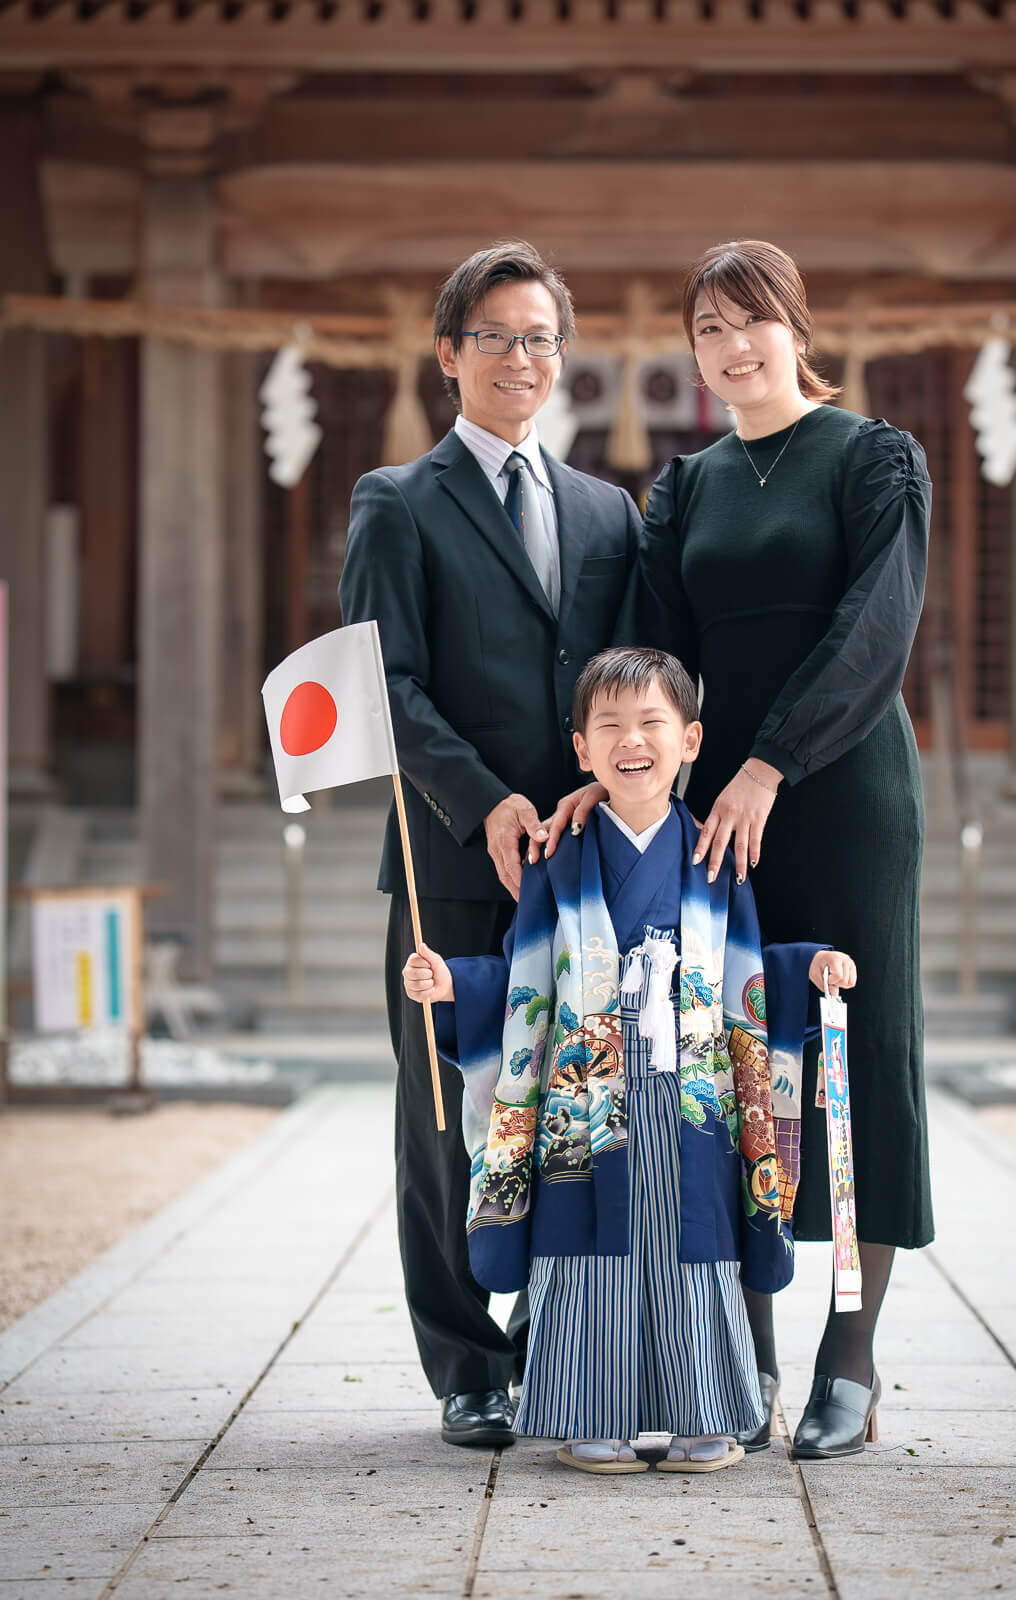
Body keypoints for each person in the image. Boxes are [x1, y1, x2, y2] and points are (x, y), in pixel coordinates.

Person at [539, 240, 934, 1460]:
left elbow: (881, 626)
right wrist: (602, 778)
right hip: (711, 815)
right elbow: (650, 657)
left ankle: (848, 1357)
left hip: (840, 787)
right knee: (725, 1060)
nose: (729, 348)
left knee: (850, 1062)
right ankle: (739, 1349)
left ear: (793, 326)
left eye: (747, 321)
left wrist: (771, 758)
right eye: (706, 330)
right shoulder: (688, 486)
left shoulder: (872, 457)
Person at [402, 648, 856, 1474]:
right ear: (580, 748)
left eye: (651, 724)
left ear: (690, 741)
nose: (630, 741)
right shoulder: (555, 859)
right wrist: (455, 988)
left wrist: (812, 966)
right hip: (584, 1097)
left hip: (694, 1093)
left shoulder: (715, 853)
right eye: (608, 726)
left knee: (696, 1246)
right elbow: (524, 980)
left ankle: (704, 1415)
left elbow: (746, 971)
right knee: (586, 1250)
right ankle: (590, 1411)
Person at [338, 242, 640, 1449]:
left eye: (540, 339)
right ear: (448, 353)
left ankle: (560, 1338)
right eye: (496, 337)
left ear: (560, 358)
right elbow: (385, 686)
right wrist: (483, 801)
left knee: (576, 1107)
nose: (521, 359)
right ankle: (467, 1361)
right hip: (450, 867)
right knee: (451, 1115)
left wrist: (590, 800)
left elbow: (630, 680)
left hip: (582, 866)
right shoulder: (396, 501)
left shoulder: (605, 510)